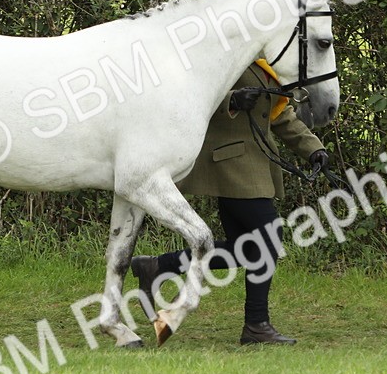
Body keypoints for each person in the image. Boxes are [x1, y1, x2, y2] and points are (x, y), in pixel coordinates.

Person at [131, 61, 330, 345]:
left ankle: (159, 266)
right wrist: (232, 101)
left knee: (249, 249)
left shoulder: (268, 61)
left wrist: (313, 149)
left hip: (255, 164)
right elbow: (191, 97)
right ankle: (256, 325)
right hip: (230, 163)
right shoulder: (228, 52)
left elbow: (279, 113)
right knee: (269, 240)